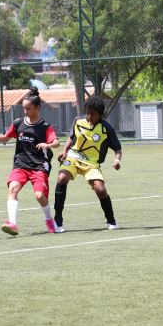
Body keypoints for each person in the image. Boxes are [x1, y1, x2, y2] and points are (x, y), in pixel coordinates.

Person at [0, 87, 60, 236]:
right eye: (23, 109)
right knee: (13, 188)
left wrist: (47, 144)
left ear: (37, 108)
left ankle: (49, 220)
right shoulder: (18, 123)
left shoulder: (45, 127)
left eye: (28, 109)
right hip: (21, 164)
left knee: (39, 196)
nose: (25, 111)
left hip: (39, 166)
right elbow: (6, 138)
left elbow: (56, 142)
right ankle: (13, 224)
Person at [53, 95, 121, 233]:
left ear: (100, 114)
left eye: (93, 114)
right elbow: (71, 137)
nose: (89, 116)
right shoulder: (78, 121)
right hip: (73, 157)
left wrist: (117, 160)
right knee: (62, 178)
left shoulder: (106, 128)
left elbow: (117, 148)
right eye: (88, 112)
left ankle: (111, 220)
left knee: (100, 190)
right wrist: (65, 151)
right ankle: (57, 220)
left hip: (91, 163)